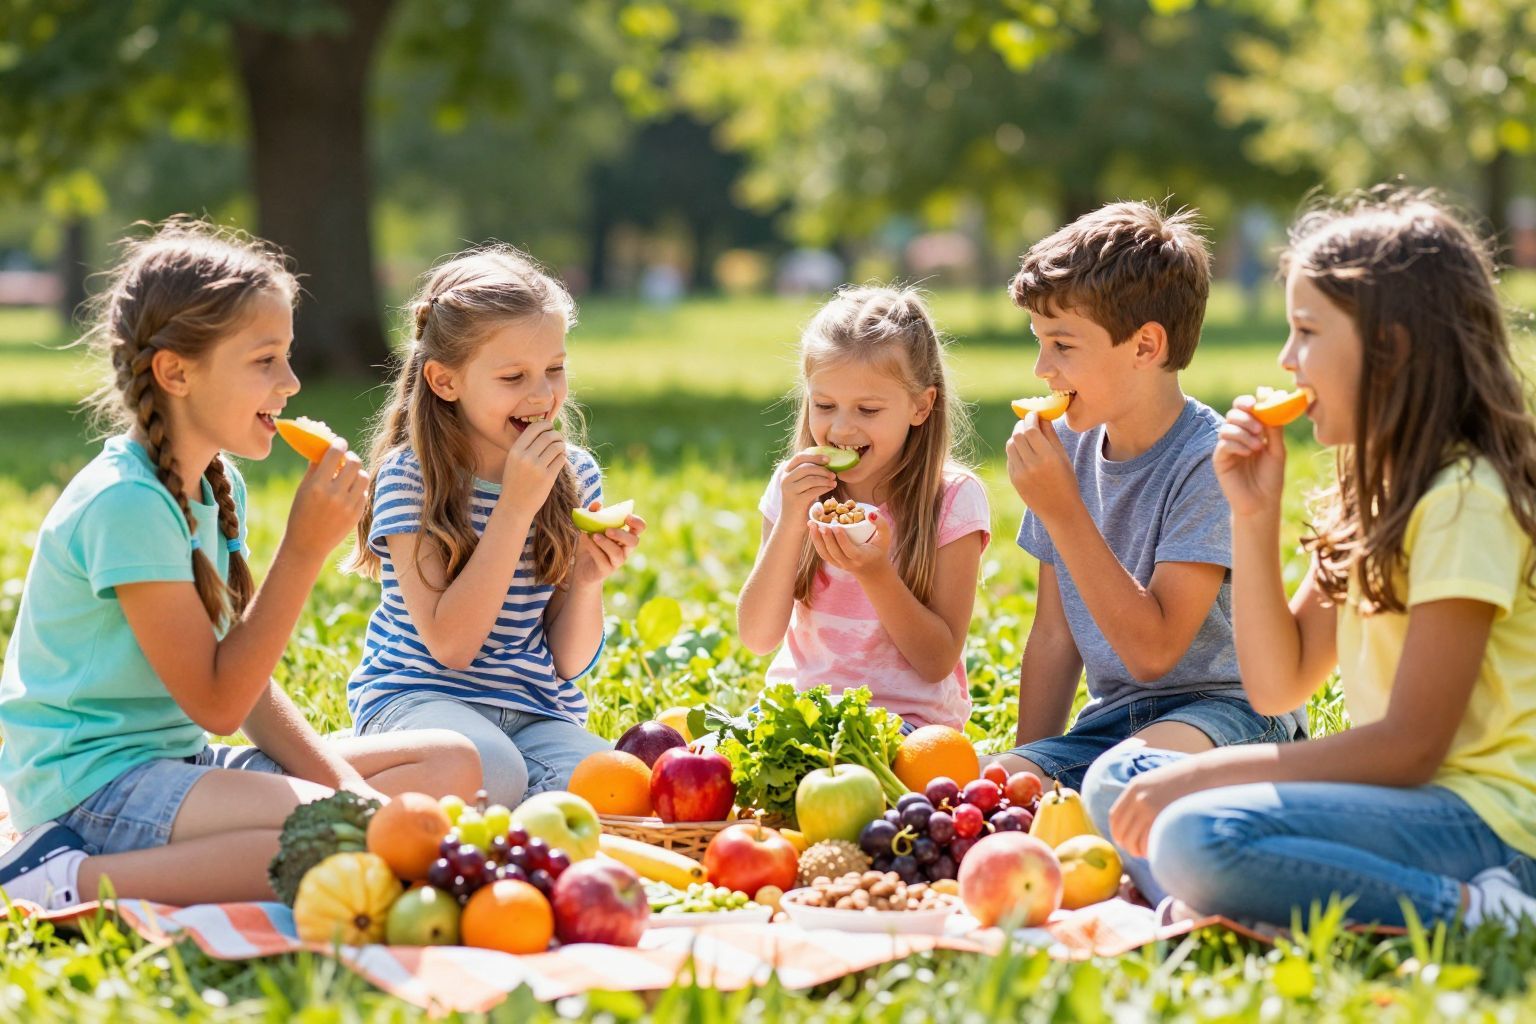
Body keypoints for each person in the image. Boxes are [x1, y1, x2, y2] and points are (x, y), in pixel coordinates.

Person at [1083, 188, 1536, 930]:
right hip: (1401, 802)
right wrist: (1252, 514)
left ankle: (1485, 911)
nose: (1287, 359)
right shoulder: (1377, 495)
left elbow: (1412, 748)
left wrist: (1205, 776)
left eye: (1307, 332)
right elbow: (1277, 687)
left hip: (1486, 824)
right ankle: (1237, 897)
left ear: (1391, 348)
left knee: (1195, 832)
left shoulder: (1464, 501)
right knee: (1120, 779)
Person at [0, 219, 479, 910]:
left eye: (287, 356)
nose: (291, 382)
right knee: (338, 838)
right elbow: (218, 705)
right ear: (176, 372)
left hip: (176, 762)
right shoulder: (127, 503)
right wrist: (304, 550)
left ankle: (302, 828)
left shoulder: (213, 484)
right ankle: (56, 878)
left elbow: (247, 689)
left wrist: (351, 791)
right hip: (89, 786)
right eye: (264, 361)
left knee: (449, 762)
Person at [990, 201, 1302, 791]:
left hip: (1228, 712)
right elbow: (1055, 636)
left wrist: (1063, 510)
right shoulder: (1066, 449)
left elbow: (1154, 653)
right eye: (1039, 342)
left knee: (1125, 780)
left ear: (1145, 346)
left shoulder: (1208, 460)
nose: (1041, 369)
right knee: (995, 784)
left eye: (1062, 345)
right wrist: (1024, 774)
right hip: (1116, 722)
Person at [345, 246, 642, 807]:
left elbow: (569, 662)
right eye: (513, 376)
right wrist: (514, 509)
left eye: (555, 369)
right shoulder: (411, 478)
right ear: (445, 381)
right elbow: (452, 646)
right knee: (493, 773)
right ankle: (320, 767)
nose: (542, 395)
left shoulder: (574, 475)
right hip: (418, 700)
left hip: (536, 713)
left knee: (615, 789)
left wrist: (586, 580)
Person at [736, 286, 989, 731]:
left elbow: (936, 661)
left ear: (921, 406)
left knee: (861, 775)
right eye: (824, 405)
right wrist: (791, 520)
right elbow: (757, 636)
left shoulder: (952, 500)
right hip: (802, 710)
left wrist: (875, 573)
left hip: (906, 722)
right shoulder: (793, 488)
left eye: (868, 410)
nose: (841, 428)